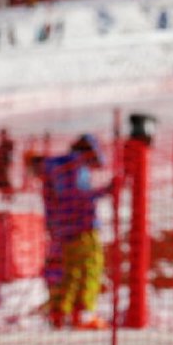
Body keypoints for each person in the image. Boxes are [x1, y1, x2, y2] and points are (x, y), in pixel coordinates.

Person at [40, 134, 116, 329]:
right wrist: (107, 190)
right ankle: (82, 313)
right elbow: (76, 197)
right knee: (90, 269)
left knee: (70, 272)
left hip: (61, 228)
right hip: (82, 226)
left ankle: (61, 314)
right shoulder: (76, 168)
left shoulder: (55, 167)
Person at [0, 129, 18, 199]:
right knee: (1, 181)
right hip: (0, 167)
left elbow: (10, 155)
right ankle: (5, 196)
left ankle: (9, 196)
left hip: (5, 166)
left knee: (7, 180)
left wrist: (9, 163)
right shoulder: (1, 145)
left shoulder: (8, 144)